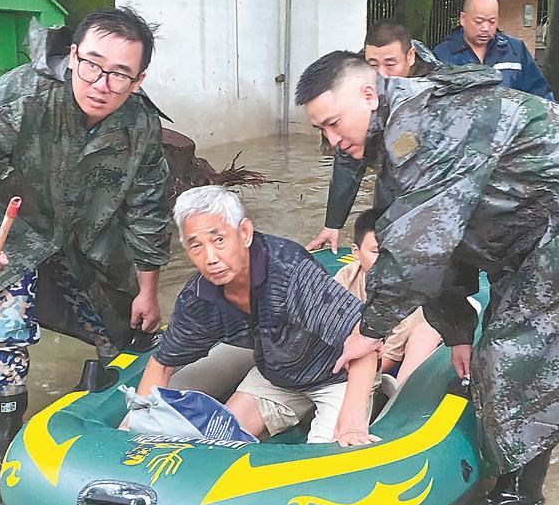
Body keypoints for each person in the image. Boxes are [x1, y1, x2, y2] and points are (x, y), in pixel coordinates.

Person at [294, 51, 559, 505]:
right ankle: (513, 457)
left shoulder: (422, 129)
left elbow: (419, 251)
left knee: (513, 352)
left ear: (368, 94)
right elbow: (445, 242)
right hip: (536, 219)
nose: (333, 140)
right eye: (322, 130)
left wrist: (369, 330)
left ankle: (518, 498)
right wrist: (457, 332)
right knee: (498, 339)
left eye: (335, 123)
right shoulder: (402, 136)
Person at [0, 6, 171, 467]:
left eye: (120, 75)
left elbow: (147, 211)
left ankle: (97, 418)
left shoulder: (139, 125)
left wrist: (148, 291)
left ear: (138, 81)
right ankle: (6, 454)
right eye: (92, 65)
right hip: (8, 240)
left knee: (129, 334)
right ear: (75, 54)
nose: (101, 84)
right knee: (2, 335)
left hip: (86, 243)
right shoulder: (23, 95)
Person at [132, 186, 379, 447]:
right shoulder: (197, 298)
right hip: (277, 376)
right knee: (216, 445)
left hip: (338, 375)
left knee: (329, 457)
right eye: (196, 246)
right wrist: (135, 429)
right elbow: (162, 364)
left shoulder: (290, 272)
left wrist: (351, 424)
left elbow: (362, 338)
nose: (211, 258)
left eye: (219, 240)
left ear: (245, 233)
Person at [306, 20, 436, 253]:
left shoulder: (433, 88)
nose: (381, 74)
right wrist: (333, 224)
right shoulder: (356, 82)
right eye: (373, 64)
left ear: (410, 57)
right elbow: (347, 160)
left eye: (390, 64)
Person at [335, 208, 446, 385]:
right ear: (356, 252)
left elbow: (393, 353)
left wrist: (352, 377)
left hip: (398, 354)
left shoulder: (408, 286)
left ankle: (400, 396)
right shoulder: (347, 276)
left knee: (427, 332)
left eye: (391, 252)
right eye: (376, 252)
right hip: (362, 348)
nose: (385, 261)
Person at [432, 0, 554, 100]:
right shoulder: (442, 56)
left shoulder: (515, 51)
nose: (485, 28)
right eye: (478, 21)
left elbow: (541, 95)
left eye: (492, 22)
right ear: (463, 19)